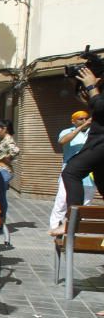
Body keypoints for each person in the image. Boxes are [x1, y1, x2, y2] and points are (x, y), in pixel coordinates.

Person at [61, 66, 104, 213]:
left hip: (100, 144)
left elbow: (100, 107)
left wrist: (92, 86)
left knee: (71, 173)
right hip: (98, 147)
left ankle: (72, 219)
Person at [49, 110, 96, 235]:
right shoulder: (67, 131)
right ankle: (55, 227)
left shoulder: (93, 133)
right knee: (62, 201)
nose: (84, 121)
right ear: (73, 121)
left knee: (86, 203)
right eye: (80, 119)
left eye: (86, 118)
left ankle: (80, 230)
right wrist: (81, 128)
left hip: (89, 174)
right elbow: (62, 141)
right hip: (70, 172)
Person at [0, 120, 19, 238]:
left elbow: (15, 150)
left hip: (3, 170)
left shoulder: (8, 139)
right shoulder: (0, 139)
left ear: (4, 129)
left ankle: (1, 220)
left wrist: (6, 158)